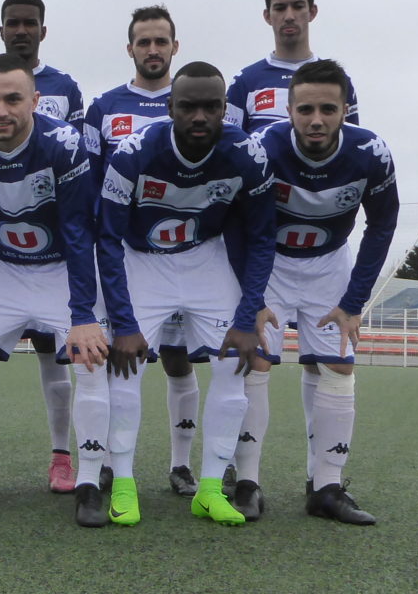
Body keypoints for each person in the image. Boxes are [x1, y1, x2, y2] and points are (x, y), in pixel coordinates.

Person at [0, 53, 110, 527]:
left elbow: (78, 230)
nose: (1, 111)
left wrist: (82, 313)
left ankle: (90, 481)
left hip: (58, 269)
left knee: (91, 357)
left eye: (13, 99)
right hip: (1, 267)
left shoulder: (64, 143)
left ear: (35, 100)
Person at [97, 62, 276, 527]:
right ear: (170, 108)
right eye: (188, 106)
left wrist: (246, 314)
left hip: (205, 258)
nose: (200, 116)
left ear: (224, 109)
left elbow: (260, 239)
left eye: (211, 106)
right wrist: (123, 320)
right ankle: (121, 483)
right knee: (123, 367)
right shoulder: (133, 152)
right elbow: (107, 236)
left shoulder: (248, 155)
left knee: (235, 365)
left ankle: (211, 488)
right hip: (142, 261)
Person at [246, 59, 398, 525]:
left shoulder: (371, 152)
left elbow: (383, 223)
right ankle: (247, 482)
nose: (316, 119)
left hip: (329, 263)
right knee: (250, 361)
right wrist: (250, 295)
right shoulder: (260, 149)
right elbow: (238, 222)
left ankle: (327, 486)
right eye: (306, 108)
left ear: (345, 110)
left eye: (328, 109)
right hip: (268, 262)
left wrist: (353, 303)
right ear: (288, 110)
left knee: (337, 366)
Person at [0, 0, 86, 493]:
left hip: (54, 258)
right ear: (1, 29)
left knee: (62, 354)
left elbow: (72, 196)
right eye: (13, 23)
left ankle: (66, 458)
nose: (21, 30)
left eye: (30, 23)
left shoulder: (64, 89)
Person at [82, 5, 201, 497]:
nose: (153, 50)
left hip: (188, 253)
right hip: (128, 253)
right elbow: (89, 181)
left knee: (178, 359)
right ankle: (111, 462)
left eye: (161, 41)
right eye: (143, 42)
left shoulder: (197, 102)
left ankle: (181, 464)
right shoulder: (103, 107)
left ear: (176, 47)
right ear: (129, 49)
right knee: (120, 356)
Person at [225, 0, 359, 133]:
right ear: (267, 16)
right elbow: (232, 146)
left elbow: (351, 147)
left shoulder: (338, 79)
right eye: (280, 8)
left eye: (298, 6)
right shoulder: (244, 82)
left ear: (312, 12)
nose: (289, 16)